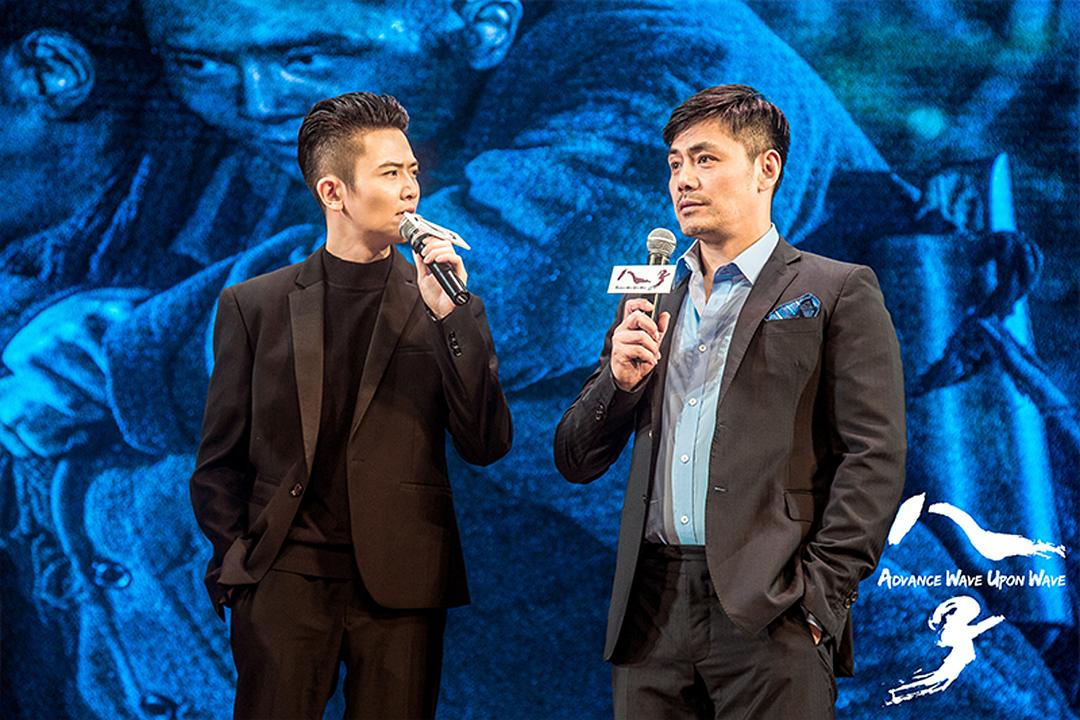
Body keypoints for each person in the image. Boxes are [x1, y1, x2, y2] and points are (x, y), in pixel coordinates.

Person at [554, 85, 907, 719]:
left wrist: (819, 599)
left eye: (705, 159)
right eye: (675, 163)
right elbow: (575, 458)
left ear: (766, 169)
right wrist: (618, 383)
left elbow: (873, 456)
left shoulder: (836, 288)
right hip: (652, 609)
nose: (683, 180)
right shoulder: (652, 297)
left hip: (774, 606)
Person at [190, 91, 512, 719]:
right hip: (283, 579)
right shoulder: (254, 305)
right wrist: (237, 565)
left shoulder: (444, 302)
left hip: (402, 583)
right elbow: (218, 460)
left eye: (412, 171)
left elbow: (486, 442)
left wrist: (452, 318)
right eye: (390, 174)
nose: (411, 189)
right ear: (333, 192)